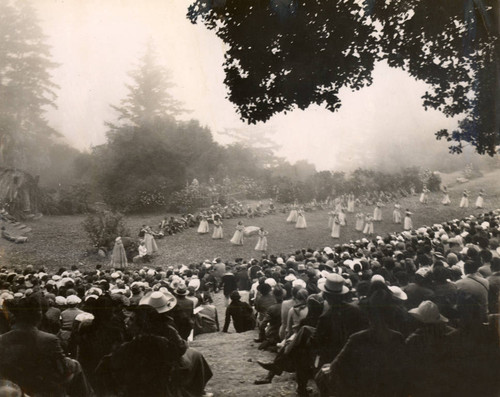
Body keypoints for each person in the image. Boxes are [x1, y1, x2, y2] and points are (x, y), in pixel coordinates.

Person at [96, 303, 213, 397]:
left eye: (131, 319)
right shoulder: (163, 339)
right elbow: (180, 349)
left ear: (140, 324)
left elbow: (103, 367)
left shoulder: (130, 346)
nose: (127, 322)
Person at [0, 296, 94, 396]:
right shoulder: (49, 339)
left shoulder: (2, 339)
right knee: (75, 365)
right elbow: (63, 369)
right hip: (42, 386)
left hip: (14, 385)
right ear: (39, 315)